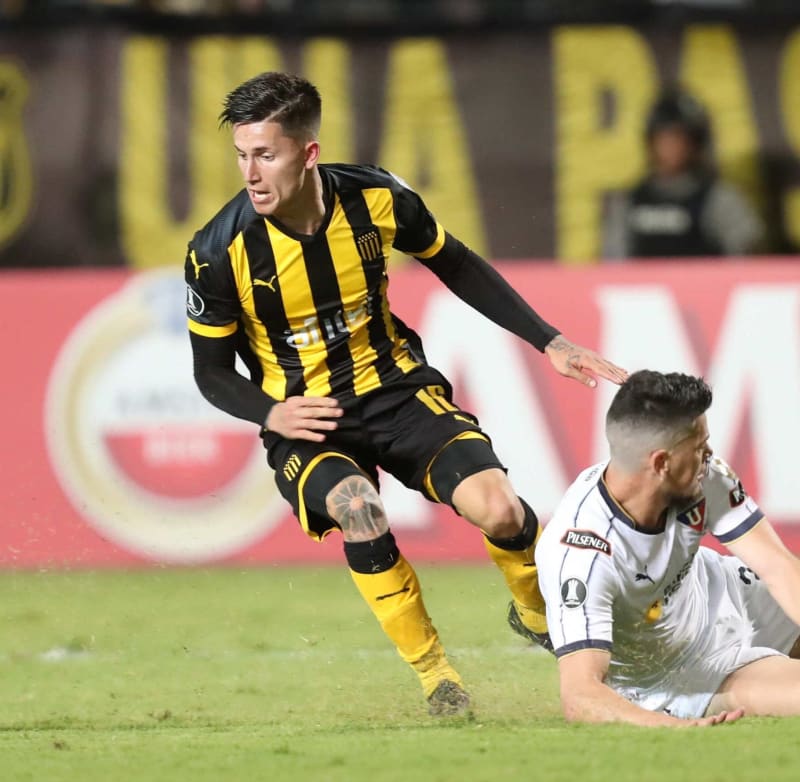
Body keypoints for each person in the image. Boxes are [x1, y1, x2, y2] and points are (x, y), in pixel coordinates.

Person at [184, 71, 627, 716]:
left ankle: (535, 613)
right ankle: (436, 678)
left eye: (266, 154)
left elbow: (456, 262)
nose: (250, 174)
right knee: (357, 506)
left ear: (308, 152)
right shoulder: (218, 252)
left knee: (501, 510)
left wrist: (549, 340)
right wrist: (271, 410)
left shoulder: (376, 199)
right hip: (308, 419)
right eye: (242, 156)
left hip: (397, 392)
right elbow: (210, 372)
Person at [535, 370, 800, 727]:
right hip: (682, 671)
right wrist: (677, 728)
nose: (710, 454)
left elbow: (778, 568)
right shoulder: (581, 556)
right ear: (661, 463)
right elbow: (580, 696)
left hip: (727, 591)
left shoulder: (705, 477)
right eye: (699, 446)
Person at [603, 87, 764, 260]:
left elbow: (746, 261)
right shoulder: (631, 201)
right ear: (651, 141)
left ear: (695, 143)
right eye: (664, 137)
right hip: (644, 287)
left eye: (680, 138)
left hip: (705, 286)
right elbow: (613, 265)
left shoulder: (718, 198)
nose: (672, 146)